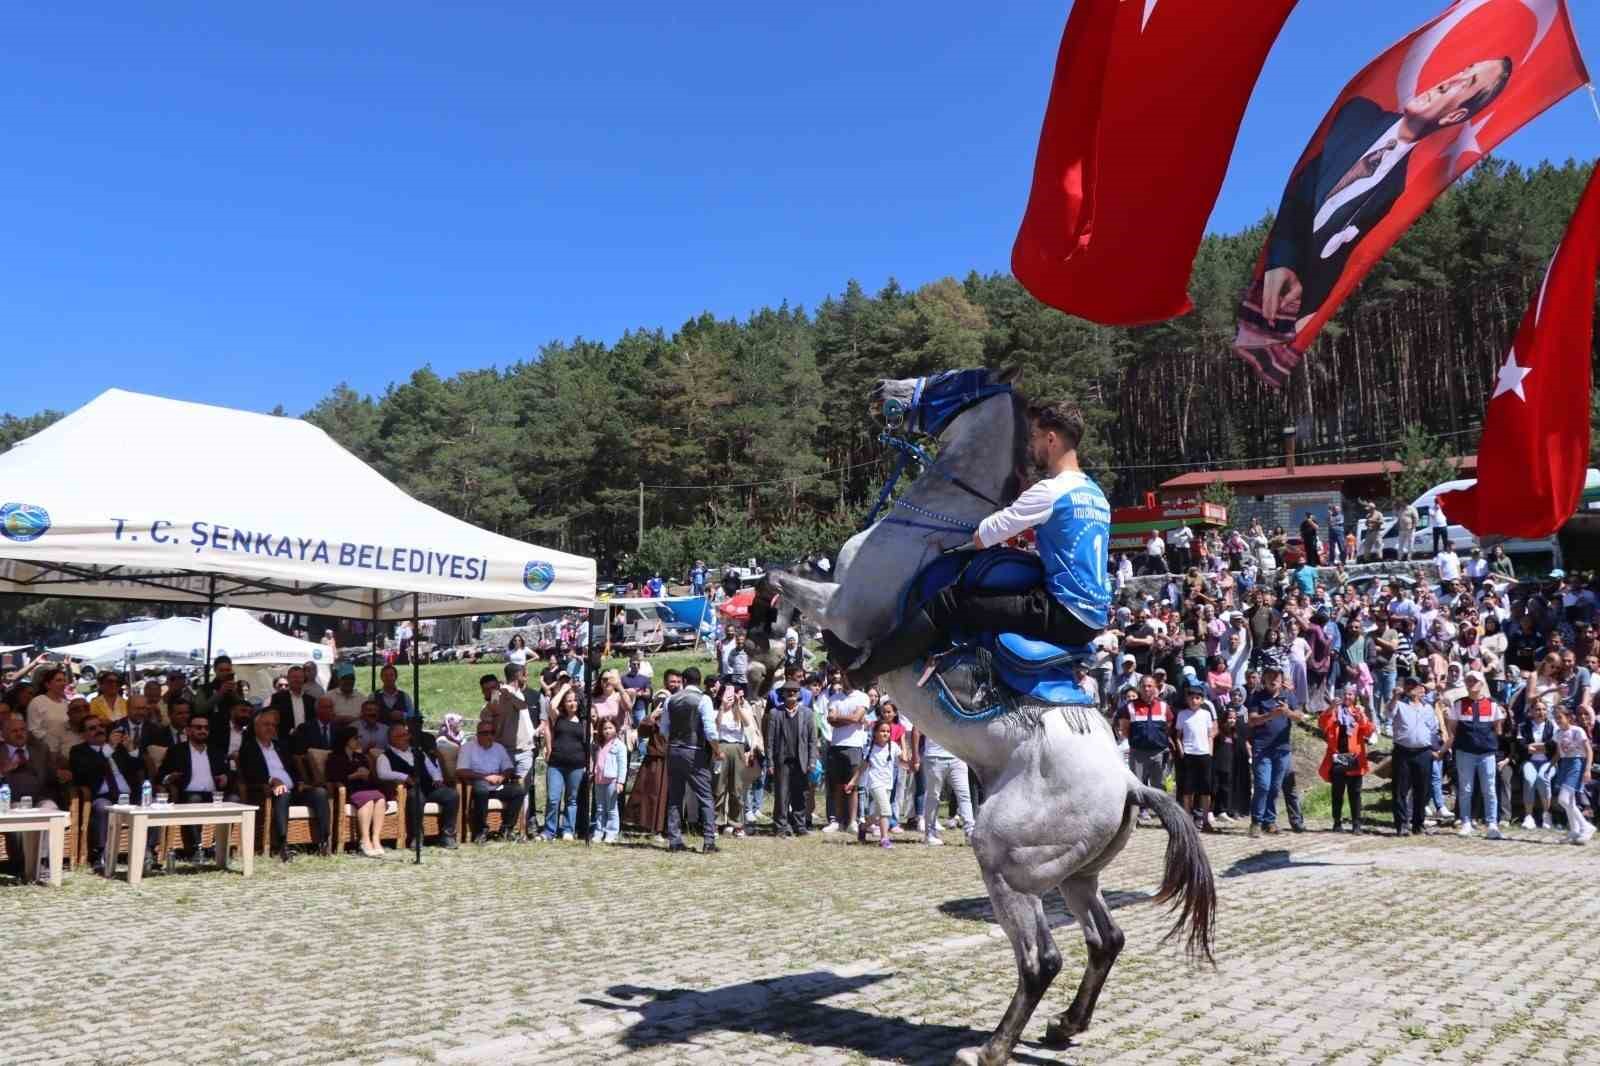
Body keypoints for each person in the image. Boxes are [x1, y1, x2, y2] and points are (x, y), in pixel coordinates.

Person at [1234, 58, 1514, 385]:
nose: (1449, 79)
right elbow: (1301, 195)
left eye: (1467, 83)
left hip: (1294, 305)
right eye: (1464, 69)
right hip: (1266, 278)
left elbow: (1338, 257)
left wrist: (1309, 314)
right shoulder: (1357, 114)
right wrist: (1281, 260)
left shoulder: (1395, 189)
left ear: (1454, 116)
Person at [839, 402, 1110, 681]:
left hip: (1063, 612)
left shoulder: (1051, 491)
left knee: (947, 602)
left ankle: (863, 674)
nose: (1031, 445)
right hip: (1095, 616)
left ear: (1051, 439)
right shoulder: (1095, 494)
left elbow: (982, 537)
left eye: (1034, 436)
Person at [238, 708, 331, 862]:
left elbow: (293, 769)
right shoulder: (249, 748)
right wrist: (271, 780)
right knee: (283, 793)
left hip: (294, 790)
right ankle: (283, 845)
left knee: (320, 793)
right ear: (256, 727)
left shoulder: (281, 746)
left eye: (273, 725)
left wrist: (300, 783)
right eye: (266, 724)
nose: (270, 728)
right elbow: (250, 773)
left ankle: (323, 842)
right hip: (269, 792)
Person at [70, 717, 159, 872]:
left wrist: (131, 749)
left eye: (101, 726)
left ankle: (148, 852)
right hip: (103, 796)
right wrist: (109, 748)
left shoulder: (119, 749)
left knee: (152, 803)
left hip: (128, 796)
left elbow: (139, 768)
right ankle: (102, 855)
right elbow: (86, 773)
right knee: (102, 807)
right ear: (83, 735)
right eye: (92, 728)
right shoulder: (79, 751)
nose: (99, 730)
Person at [658, 667, 719, 853]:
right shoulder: (704, 699)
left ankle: (674, 840)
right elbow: (710, 731)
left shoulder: (670, 700)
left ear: (684, 681)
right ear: (699, 681)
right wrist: (717, 750)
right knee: (705, 796)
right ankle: (709, 840)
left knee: (675, 797)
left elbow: (663, 730)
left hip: (674, 750)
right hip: (694, 752)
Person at [376, 723, 459, 849]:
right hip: (409, 790)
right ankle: (417, 836)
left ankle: (447, 836)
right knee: (416, 797)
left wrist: (437, 779)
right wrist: (404, 777)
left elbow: (432, 768)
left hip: (428, 788)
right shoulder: (385, 756)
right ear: (392, 739)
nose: (406, 738)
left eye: (406, 735)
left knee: (451, 795)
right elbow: (382, 773)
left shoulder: (418, 751)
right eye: (401, 736)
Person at [1445, 670, 1505, 839]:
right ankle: (1465, 822)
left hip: (1487, 753)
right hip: (1465, 753)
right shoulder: (1459, 704)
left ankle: (1492, 824)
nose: (1471, 683)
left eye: (1475, 680)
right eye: (1469, 680)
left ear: (1482, 683)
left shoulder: (1492, 704)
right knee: (1465, 789)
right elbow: (1452, 728)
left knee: (1490, 789)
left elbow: (1498, 729)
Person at [1246, 665, 1304, 837]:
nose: (1273, 680)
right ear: (1264, 679)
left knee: (1275, 787)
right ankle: (1256, 822)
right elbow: (1252, 721)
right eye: (1270, 676)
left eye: (1276, 677)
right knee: (1262, 785)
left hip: (1282, 748)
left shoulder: (1288, 696)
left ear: (1281, 680)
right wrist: (1271, 715)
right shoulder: (1257, 697)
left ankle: (1269, 821)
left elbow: (1299, 716)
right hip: (1262, 748)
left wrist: (1287, 712)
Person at [158, 715, 229, 855]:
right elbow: (161, 775)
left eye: (206, 728)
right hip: (188, 794)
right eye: (198, 727)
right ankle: (196, 848)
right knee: (195, 799)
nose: (203, 731)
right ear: (188, 730)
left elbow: (228, 772)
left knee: (234, 799)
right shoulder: (177, 751)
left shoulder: (216, 751)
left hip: (214, 794)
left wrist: (226, 776)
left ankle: (219, 846)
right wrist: (170, 777)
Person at [456, 718, 527, 843]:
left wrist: (502, 777)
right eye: (485, 733)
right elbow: (461, 771)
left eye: (492, 733)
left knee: (518, 791)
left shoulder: (499, 748)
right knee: (482, 790)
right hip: (478, 782)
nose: (489, 736)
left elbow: (509, 768)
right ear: (478, 734)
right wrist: (485, 777)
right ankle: (481, 831)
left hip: (497, 785)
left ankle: (506, 830)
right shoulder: (468, 748)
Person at [1319, 686, 1376, 833]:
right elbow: (1322, 724)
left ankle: (1356, 824)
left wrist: (1362, 716)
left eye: (1350, 694)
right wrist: (1330, 708)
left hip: (1355, 757)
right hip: (1338, 757)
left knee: (1355, 792)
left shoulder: (1358, 712)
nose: (1347, 696)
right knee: (1337, 792)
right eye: (1344, 694)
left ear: (1355, 697)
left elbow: (1369, 731)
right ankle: (1337, 823)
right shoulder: (1334, 712)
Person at [765, 681, 817, 838]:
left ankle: (799, 826)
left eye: (794, 691)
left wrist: (812, 761)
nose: (791, 693)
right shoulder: (775, 713)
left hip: (801, 760)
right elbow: (769, 741)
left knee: (800, 795)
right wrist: (770, 762)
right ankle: (780, 827)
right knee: (782, 795)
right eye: (788, 691)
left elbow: (812, 740)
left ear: (799, 694)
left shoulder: (807, 713)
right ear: (783, 694)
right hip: (782, 761)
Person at [326, 725, 388, 856]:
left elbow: (370, 776)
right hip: (348, 789)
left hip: (364, 787)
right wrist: (354, 776)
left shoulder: (360, 757)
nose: (359, 740)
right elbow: (333, 777)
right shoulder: (334, 757)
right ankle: (365, 839)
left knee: (381, 799)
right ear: (346, 740)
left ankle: (376, 839)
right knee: (368, 801)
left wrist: (366, 774)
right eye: (356, 738)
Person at [1119, 676, 1172, 825]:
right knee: (1136, 786)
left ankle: (1163, 816)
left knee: (1159, 785)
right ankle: (1134, 818)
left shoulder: (1164, 706)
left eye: (1150, 686)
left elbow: (1168, 727)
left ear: (1155, 688)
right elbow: (1125, 729)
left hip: (1158, 752)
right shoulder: (1129, 707)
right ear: (1139, 688)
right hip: (1138, 752)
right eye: (1144, 686)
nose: (1147, 689)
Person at [845, 719, 903, 848]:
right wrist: (852, 782)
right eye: (882, 731)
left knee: (877, 815)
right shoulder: (869, 749)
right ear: (875, 733)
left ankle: (863, 827)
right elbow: (862, 767)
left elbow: (902, 761)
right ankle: (884, 839)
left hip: (888, 784)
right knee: (886, 811)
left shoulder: (893, 746)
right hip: (875, 784)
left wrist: (909, 763)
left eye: (888, 731)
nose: (885, 733)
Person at [711, 681, 757, 836]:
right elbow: (716, 727)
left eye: (733, 694)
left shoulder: (740, 711)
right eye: (727, 694)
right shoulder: (716, 711)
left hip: (738, 748)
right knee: (719, 787)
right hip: (721, 747)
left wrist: (737, 705)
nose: (730, 697)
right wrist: (722, 707)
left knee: (736, 788)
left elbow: (747, 723)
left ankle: (736, 823)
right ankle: (716, 822)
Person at [543, 683, 587, 841]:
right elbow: (551, 706)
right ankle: (549, 830)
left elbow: (589, 744)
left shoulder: (584, 722)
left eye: (574, 700)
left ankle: (568, 829)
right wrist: (563, 690)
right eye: (569, 701)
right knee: (553, 798)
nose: (572, 703)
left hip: (576, 765)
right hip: (556, 764)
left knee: (571, 799)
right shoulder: (558, 718)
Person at [823, 687, 869, 834]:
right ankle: (837, 821)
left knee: (852, 785)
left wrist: (839, 717)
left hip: (854, 745)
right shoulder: (834, 698)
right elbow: (831, 719)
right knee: (837, 785)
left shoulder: (862, 697)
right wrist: (851, 719)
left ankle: (852, 821)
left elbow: (856, 718)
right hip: (836, 744)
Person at [1173, 685, 1218, 831]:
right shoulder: (1182, 714)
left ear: (1202, 700)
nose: (1194, 701)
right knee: (1188, 790)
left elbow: (1210, 735)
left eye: (1197, 698)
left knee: (1205, 790)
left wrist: (1210, 752)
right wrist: (1181, 751)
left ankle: (1205, 821)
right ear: (1187, 699)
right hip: (1189, 755)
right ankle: (1188, 821)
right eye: (1191, 698)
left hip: (1204, 755)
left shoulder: (1206, 714)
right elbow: (1178, 736)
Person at [1551, 704, 1594, 844]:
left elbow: (1589, 751)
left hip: (1576, 763)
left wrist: (1587, 769)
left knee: (1563, 799)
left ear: (1568, 717)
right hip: (1564, 764)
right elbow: (1559, 753)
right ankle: (1574, 830)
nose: (1557, 720)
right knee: (1570, 801)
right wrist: (1550, 766)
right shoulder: (1558, 733)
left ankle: (1586, 826)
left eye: (1560, 717)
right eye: (1555, 718)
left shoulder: (1577, 731)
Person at [1518, 696, 1557, 830]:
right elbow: (1522, 745)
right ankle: (1529, 816)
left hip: (1548, 761)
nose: (1541, 712)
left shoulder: (1552, 726)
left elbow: (1553, 746)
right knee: (1529, 780)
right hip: (1530, 761)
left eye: (1544, 709)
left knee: (1542, 778)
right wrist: (1541, 746)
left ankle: (1546, 814)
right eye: (1538, 709)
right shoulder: (1523, 726)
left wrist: (1533, 746)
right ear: (1531, 711)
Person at [592, 717, 627, 843]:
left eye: (610, 728)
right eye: (605, 728)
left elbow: (622, 765)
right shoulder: (599, 745)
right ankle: (599, 831)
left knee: (611, 808)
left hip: (611, 781)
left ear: (616, 729)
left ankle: (611, 833)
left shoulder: (619, 746)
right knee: (600, 808)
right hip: (599, 780)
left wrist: (620, 782)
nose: (607, 731)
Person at [26, 667, 72, 757]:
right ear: (48, 685)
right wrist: (52, 741)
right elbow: (33, 729)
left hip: (65, 748)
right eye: (59, 680)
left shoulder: (65, 703)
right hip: (46, 751)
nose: (63, 683)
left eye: (64, 680)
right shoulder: (37, 702)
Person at [269, 665, 318, 733]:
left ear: (304, 679)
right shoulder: (277, 698)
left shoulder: (311, 700)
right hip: (285, 738)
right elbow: (273, 720)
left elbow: (313, 722)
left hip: (306, 737)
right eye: (294, 677)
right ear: (288, 679)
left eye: (300, 677)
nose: (297, 680)